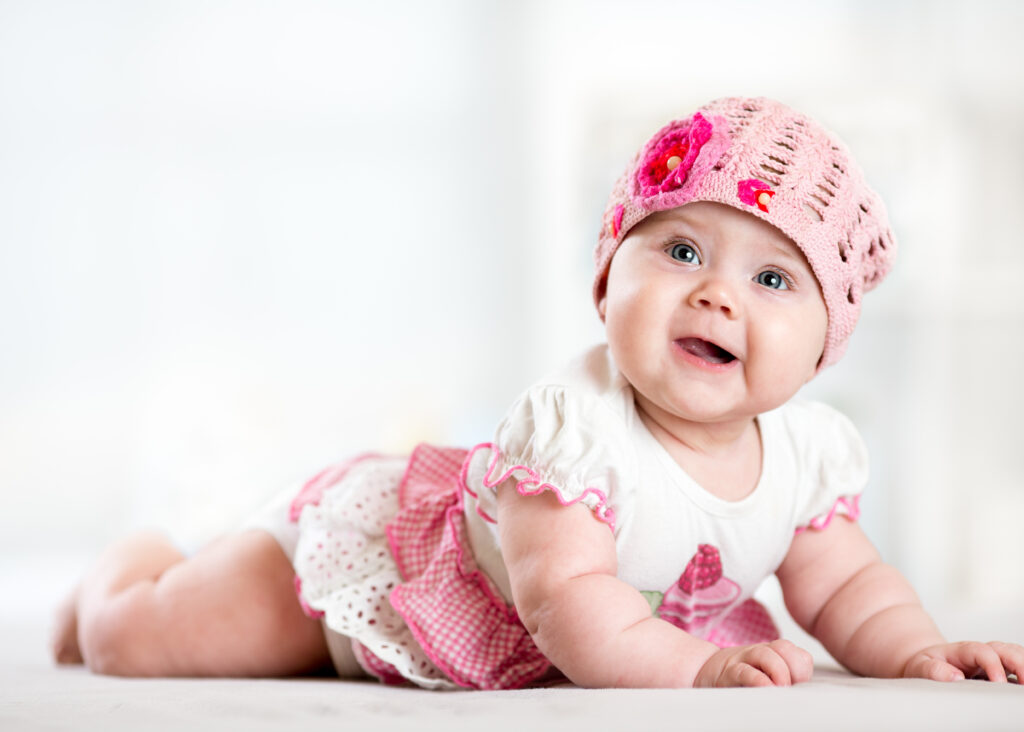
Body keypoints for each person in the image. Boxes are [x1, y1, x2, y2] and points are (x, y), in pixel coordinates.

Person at [52, 96, 1023, 689]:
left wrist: (915, 652)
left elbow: (847, 585)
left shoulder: (807, 455)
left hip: (536, 612)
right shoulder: (578, 430)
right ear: (607, 282)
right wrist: (690, 669)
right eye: (680, 249)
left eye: (773, 280)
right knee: (158, 641)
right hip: (377, 563)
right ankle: (125, 571)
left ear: (822, 349)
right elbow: (566, 598)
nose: (716, 291)